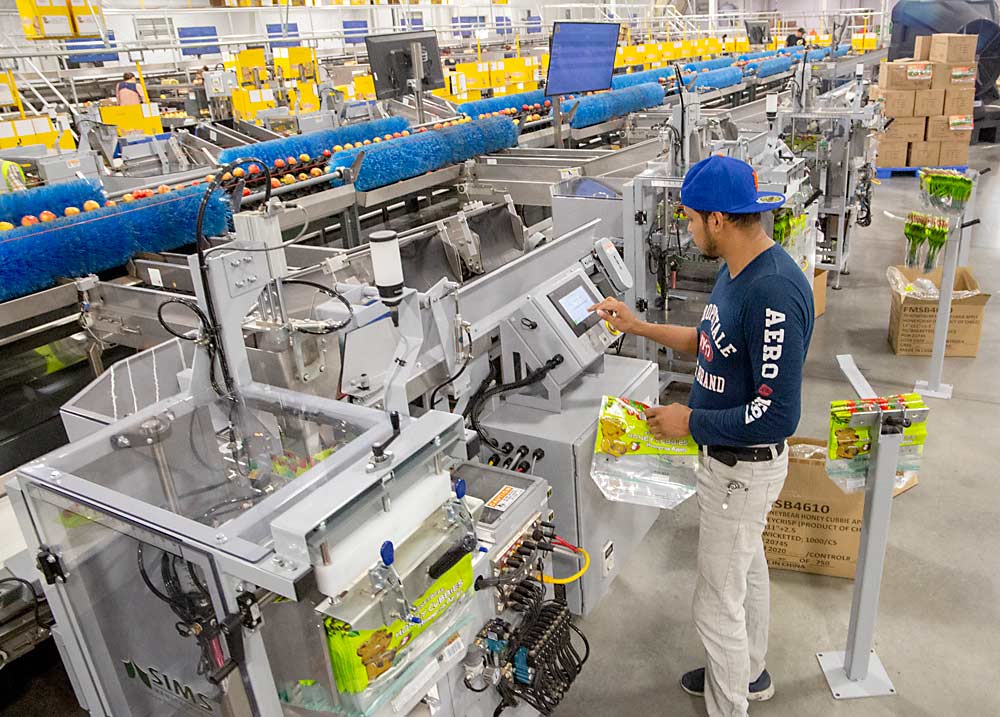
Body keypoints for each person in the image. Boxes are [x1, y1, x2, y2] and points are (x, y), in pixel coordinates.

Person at [589, 155, 814, 717]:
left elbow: (775, 415)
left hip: (744, 467)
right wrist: (637, 325)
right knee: (747, 572)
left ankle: (728, 705)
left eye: (690, 219)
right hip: (726, 461)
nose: (686, 230)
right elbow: (706, 339)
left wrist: (689, 423)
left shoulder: (774, 292)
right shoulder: (735, 271)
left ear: (717, 220)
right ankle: (749, 672)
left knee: (716, 603)